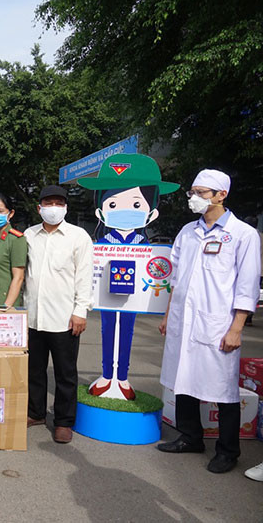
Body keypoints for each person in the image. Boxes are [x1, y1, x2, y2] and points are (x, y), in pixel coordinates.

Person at [158, 169, 261, 474]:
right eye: (192, 192)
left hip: (217, 324)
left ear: (221, 195)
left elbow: (247, 285)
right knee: (183, 379)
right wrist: (167, 315)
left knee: (221, 387)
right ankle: (190, 436)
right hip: (183, 320)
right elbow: (175, 278)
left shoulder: (242, 235)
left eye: (201, 193)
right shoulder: (188, 232)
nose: (194, 198)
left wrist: (236, 328)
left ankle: (228, 451)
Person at [79, 154, 179, 400]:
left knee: (127, 332)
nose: (124, 211)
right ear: (101, 212)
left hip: (135, 298)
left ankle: (122, 377)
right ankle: (106, 375)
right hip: (104, 296)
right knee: (107, 330)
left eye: (136, 205)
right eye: (113, 205)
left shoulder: (149, 249)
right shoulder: (98, 246)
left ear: (151, 213)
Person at [25, 185, 94, 443]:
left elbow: (84, 277)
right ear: (39, 207)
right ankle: (36, 413)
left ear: (65, 207)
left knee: (66, 373)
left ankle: (64, 421)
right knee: (35, 369)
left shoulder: (78, 237)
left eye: (58, 203)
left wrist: (80, 311)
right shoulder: (29, 235)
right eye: (48, 202)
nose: (53, 207)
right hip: (33, 317)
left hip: (65, 318)